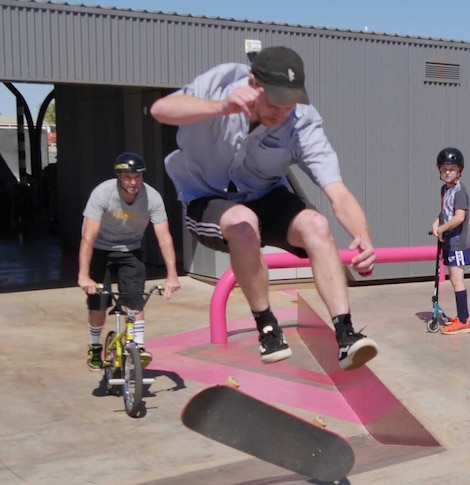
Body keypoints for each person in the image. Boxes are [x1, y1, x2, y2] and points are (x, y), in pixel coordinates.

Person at [149, 46, 378, 370]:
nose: (280, 114)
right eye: (273, 105)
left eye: (288, 106)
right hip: (209, 197)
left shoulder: (302, 123)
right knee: (243, 223)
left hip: (266, 195)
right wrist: (220, 107)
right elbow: (161, 109)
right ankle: (267, 326)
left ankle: (346, 334)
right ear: (254, 84)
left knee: (316, 226)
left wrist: (362, 236)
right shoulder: (223, 81)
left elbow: (337, 191)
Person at [78, 152, 181, 370]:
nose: (133, 182)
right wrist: (83, 275)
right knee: (99, 302)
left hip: (130, 250)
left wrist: (172, 275)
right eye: (127, 177)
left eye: (137, 177)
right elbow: (88, 237)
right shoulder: (103, 194)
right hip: (100, 249)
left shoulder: (152, 197)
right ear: (118, 176)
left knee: (135, 299)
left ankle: (139, 347)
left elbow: (164, 237)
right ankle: (95, 347)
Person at [430, 147, 470, 335]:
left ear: (459, 170)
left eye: (451, 169)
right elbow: (445, 212)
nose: (447, 172)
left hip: (457, 243)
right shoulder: (445, 189)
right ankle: (463, 316)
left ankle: (463, 321)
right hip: (449, 241)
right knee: (455, 280)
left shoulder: (459, 192)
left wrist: (442, 228)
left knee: (457, 281)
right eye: (444, 169)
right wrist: (436, 222)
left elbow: (459, 217)